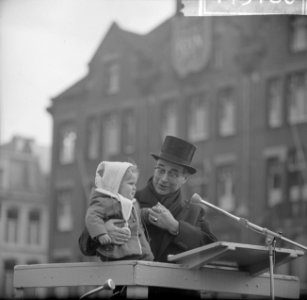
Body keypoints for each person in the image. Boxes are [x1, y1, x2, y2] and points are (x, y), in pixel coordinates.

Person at [85, 160, 154, 261]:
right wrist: (101, 233)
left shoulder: (132, 203)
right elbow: (92, 216)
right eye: (131, 184)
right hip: (117, 251)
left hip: (139, 247)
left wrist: (147, 213)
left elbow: (137, 216)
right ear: (115, 184)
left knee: (147, 260)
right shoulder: (106, 201)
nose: (134, 188)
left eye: (135, 184)